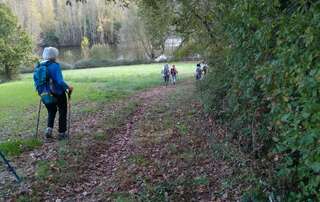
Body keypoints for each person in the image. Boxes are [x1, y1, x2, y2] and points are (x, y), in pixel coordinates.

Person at [33, 47, 73, 140]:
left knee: (51, 110)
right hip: (57, 93)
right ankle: (62, 133)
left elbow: (36, 81)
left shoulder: (38, 66)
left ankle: (49, 130)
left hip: (44, 94)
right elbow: (59, 81)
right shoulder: (55, 66)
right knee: (62, 111)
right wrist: (68, 87)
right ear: (54, 55)